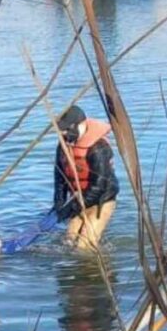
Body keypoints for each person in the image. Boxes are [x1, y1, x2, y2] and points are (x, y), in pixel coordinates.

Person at [53, 105, 119, 251]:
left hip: (102, 199)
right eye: (62, 130)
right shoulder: (64, 144)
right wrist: (59, 203)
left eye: (67, 129)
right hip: (79, 197)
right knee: (69, 240)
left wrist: (73, 207)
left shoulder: (98, 148)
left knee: (84, 244)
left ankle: (96, 262)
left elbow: (100, 185)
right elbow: (59, 176)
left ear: (80, 124)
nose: (64, 134)